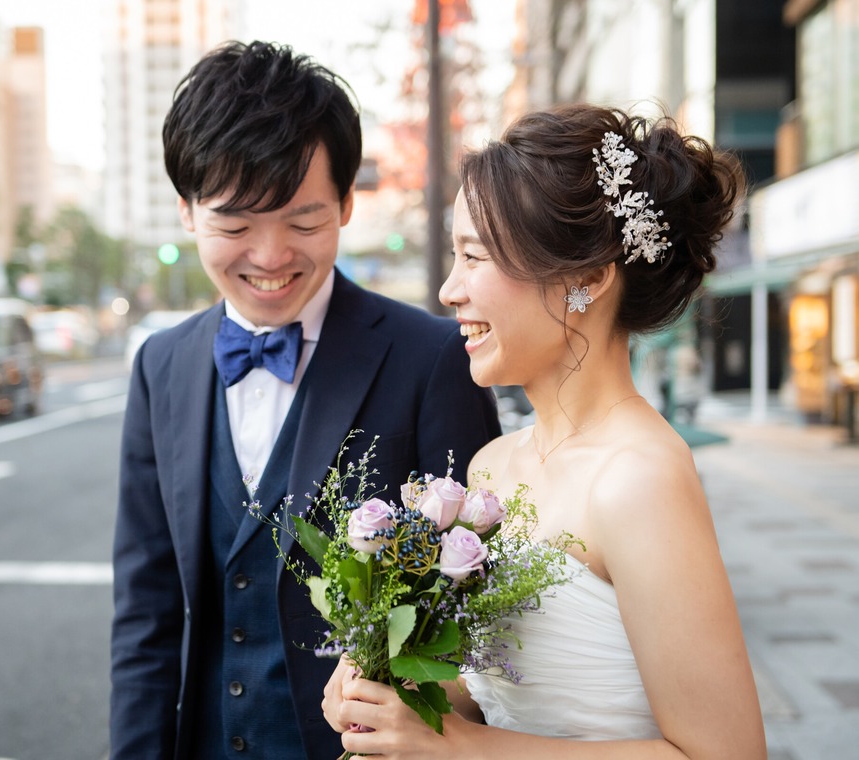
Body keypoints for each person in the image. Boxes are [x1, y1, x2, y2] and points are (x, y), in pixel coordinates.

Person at [321, 104, 767, 759]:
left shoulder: (638, 477)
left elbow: (725, 753)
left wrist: (464, 749)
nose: (449, 290)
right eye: (454, 256)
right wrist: (387, 686)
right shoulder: (492, 467)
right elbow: (499, 691)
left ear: (585, 279)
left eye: (474, 256)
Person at [108, 40, 501, 760]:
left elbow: (479, 610)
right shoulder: (158, 366)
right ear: (186, 213)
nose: (269, 255)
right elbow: (145, 613)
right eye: (234, 224)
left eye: (303, 221)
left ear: (348, 203)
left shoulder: (431, 359)